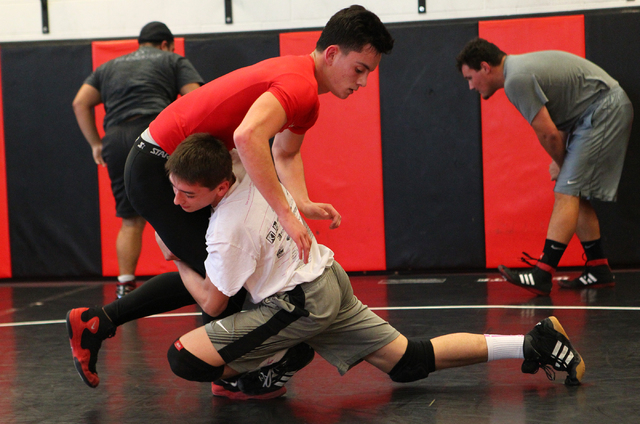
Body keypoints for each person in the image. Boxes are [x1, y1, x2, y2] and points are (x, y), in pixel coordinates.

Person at [66, 5, 395, 391]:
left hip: (168, 157)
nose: (364, 83)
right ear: (333, 53)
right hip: (158, 166)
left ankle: (100, 323)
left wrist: (301, 203)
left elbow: (284, 153)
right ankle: (223, 373)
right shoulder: (299, 83)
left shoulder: (308, 96)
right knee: (220, 282)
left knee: (221, 273)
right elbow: (247, 137)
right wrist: (285, 214)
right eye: (360, 69)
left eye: (369, 73)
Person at [162, 134, 585, 400]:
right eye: (173, 190)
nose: (177, 203)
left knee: (182, 358)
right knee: (408, 363)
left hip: (296, 305)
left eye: (187, 194)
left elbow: (214, 304)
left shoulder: (226, 229)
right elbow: (252, 132)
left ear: (219, 186)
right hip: (327, 280)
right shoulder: (248, 165)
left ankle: (283, 357)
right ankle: (533, 343)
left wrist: (178, 257)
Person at [456, 38, 633, 296]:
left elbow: (548, 134)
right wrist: (564, 165)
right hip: (591, 113)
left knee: (567, 189)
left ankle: (542, 273)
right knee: (572, 189)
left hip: (604, 110)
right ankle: (598, 269)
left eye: (469, 78)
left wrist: (563, 165)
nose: (471, 86)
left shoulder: (516, 79)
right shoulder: (518, 69)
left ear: (485, 67)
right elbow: (564, 108)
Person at [72, 21, 204, 298]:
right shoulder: (172, 59)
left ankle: (124, 284)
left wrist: (96, 144)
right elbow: (196, 97)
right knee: (186, 207)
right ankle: (203, 275)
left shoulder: (109, 66)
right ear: (167, 44)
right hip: (156, 132)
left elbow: (80, 102)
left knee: (130, 218)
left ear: (140, 43)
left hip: (116, 138)